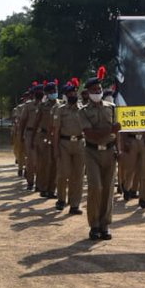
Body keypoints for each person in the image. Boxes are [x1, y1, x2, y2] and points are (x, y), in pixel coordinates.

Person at [81, 68, 120, 240]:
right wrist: (110, 129)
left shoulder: (111, 108)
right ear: (87, 93)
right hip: (92, 152)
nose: (97, 92)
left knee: (108, 189)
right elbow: (90, 133)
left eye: (99, 89)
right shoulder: (83, 111)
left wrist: (119, 149)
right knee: (95, 187)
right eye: (93, 90)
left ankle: (104, 225)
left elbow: (118, 132)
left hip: (110, 151)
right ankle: (94, 224)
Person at [52, 78, 86, 215]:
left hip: (79, 144)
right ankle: (61, 199)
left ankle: (74, 204)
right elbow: (56, 131)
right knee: (63, 174)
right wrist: (55, 149)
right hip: (64, 144)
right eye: (69, 93)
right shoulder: (60, 110)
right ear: (66, 95)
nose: (73, 95)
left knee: (78, 176)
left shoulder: (83, 109)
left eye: (74, 92)